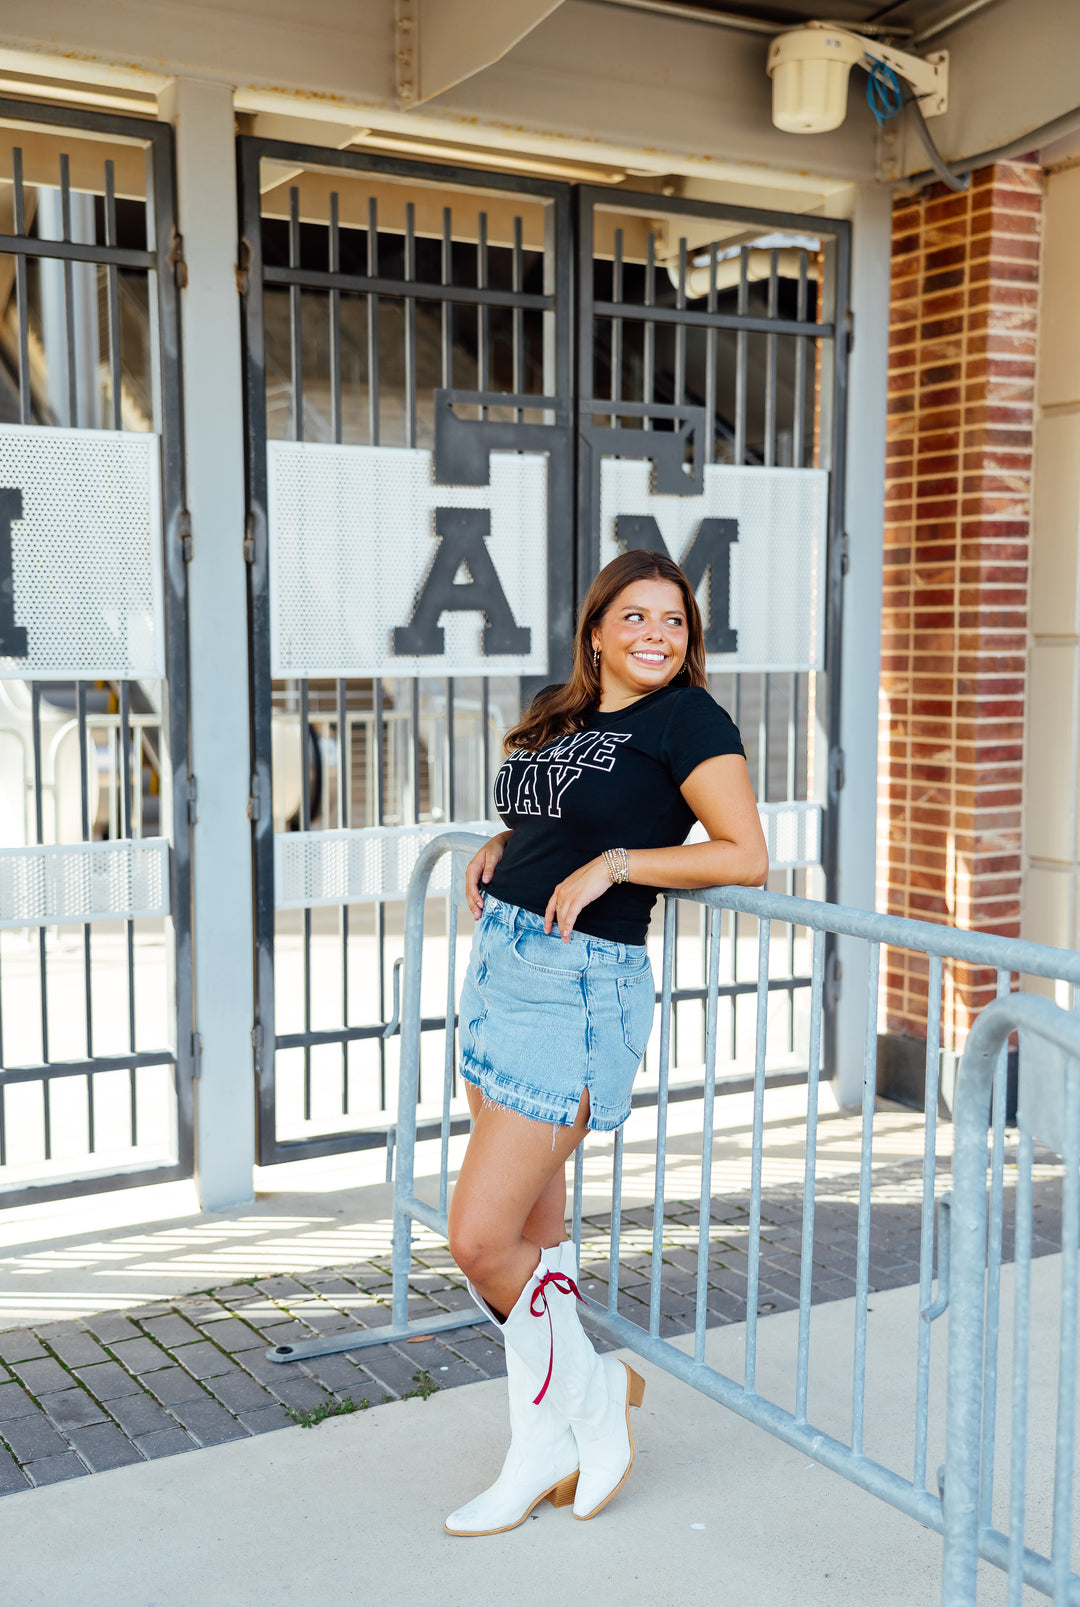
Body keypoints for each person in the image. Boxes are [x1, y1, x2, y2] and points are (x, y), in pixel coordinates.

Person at [444, 549, 769, 1537]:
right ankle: (549, 1434)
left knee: (479, 1236)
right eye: (635, 616)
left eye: (673, 621)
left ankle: (586, 1401)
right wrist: (511, 844)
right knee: (532, 1236)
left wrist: (617, 863)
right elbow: (551, 810)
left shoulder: (691, 721)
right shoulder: (566, 710)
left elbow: (745, 853)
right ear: (596, 630)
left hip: (579, 990)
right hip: (506, 966)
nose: (656, 635)